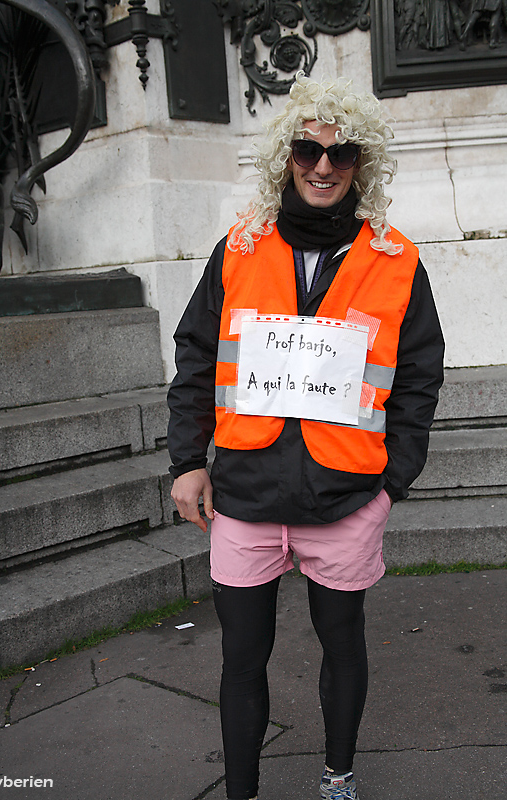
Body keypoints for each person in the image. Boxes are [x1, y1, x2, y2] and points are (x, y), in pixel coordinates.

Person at [167, 72, 444, 800]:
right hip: (246, 493)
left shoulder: (395, 258)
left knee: (342, 646)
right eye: (307, 149)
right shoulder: (238, 247)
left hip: (346, 496)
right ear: (284, 157)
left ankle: (337, 776)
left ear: (363, 163)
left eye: (341, 153)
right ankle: (242, 793)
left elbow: (418, 376)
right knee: (240, 658)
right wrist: (185, 462)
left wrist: (393, 479)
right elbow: (197, 355)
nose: (323, 166)